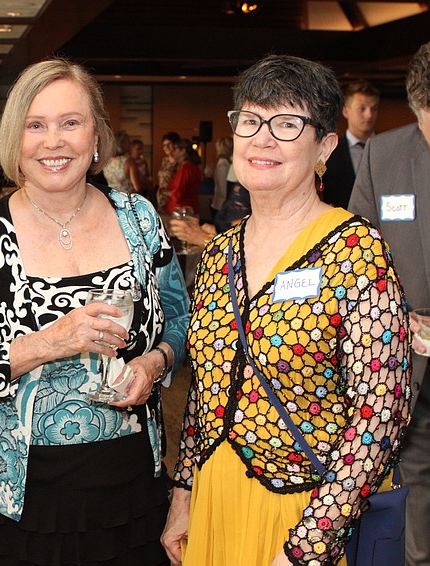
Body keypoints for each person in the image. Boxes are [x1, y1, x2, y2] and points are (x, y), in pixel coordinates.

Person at [0, 58, 190, 565]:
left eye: (71, 122)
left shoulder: (139, 218)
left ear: (96, 137)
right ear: (15, 141)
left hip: (131, 490)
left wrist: (155, 364)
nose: (54, 141)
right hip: (20, 501)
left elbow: (180, 318)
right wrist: (51, 341)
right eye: (36, 125)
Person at [161, 54, 411, 565]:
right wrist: (184, 494)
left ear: (325, 145)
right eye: (250, 120)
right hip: (216, 500)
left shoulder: (356, 250)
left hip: (308, 516)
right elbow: (205, 389)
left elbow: (381, 414)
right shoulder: (221, 251)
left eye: (287, 123)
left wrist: (309, 547)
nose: (263, 138)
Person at [349, 40, 430, 566]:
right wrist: (396, 314)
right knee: (417, 484)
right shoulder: (385, 155)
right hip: (413, 365)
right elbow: (358, 258)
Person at [321, 80, 380, 209]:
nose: (369, 115)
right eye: (362, 109)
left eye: (374, 109)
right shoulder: (329, 152)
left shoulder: (390, 149)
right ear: (346, 111)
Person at [164, 138, 202, 215]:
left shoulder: (185, 169)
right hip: (190, 207)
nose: (172, 151)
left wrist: (164, 191)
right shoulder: (193, 167)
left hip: (181, 210)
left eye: (175, 149)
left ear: (183, 151)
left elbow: (177, 194)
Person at [103, 130, 144, 194]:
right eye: (127, 141)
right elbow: (137, 187)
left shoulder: (107, 161)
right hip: (127, 200)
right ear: (121, 143)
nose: (130, 143)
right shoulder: (129, 161)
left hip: (112, 198)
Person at [156, 131, 181, 209]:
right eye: (164, 145)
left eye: (169, 144)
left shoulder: (179, 162)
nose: (166, 147)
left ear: (175, 145)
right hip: (161, 196)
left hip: (172, 196)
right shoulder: (165, 160)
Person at [210, 136, 232, 215]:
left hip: (221, 205)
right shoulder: (223, 165)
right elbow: (223, 190)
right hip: (221, 206)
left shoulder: (224, 163)